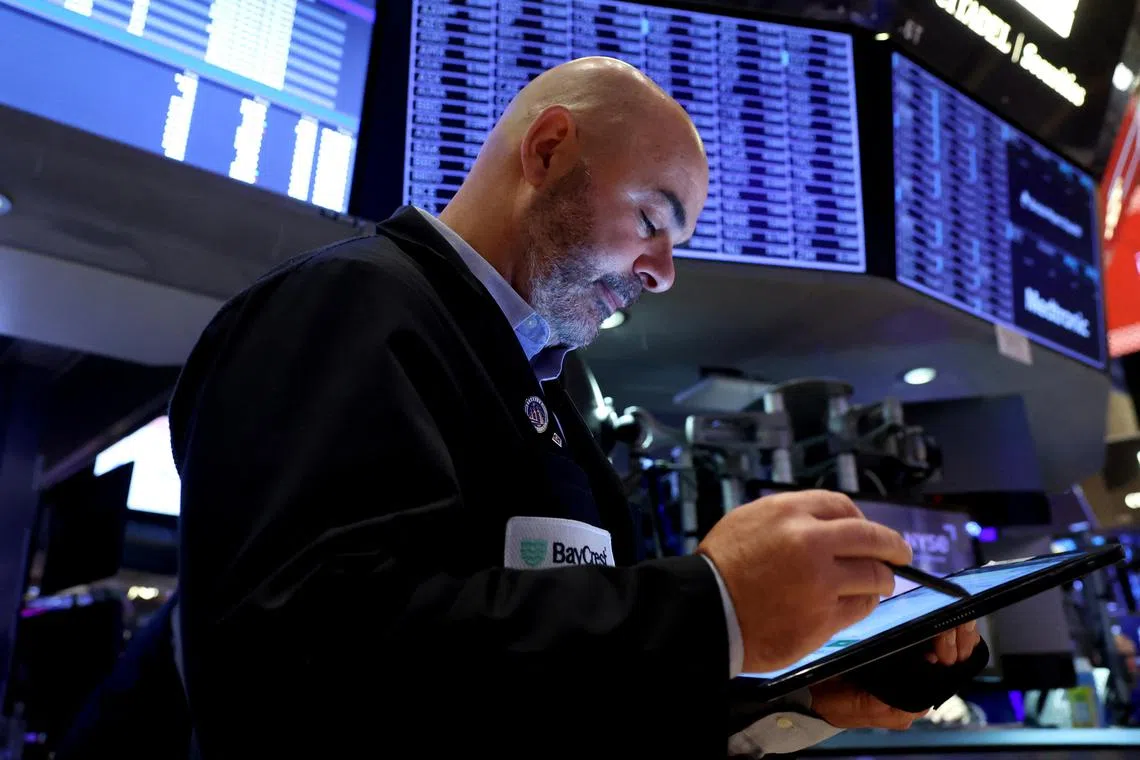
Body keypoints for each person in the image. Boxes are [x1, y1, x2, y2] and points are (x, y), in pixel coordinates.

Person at [158, 57, 982, 758]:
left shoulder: (547, 395)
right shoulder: (348, 302)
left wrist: (786, 694)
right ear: (549, 150)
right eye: (652, 219)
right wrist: (712, 607)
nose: (662, 273)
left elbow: (540, 690)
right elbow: (310, 655)